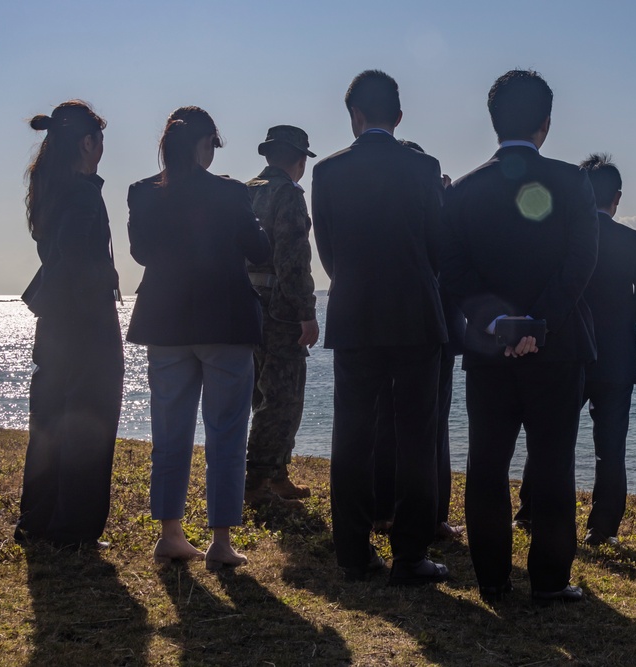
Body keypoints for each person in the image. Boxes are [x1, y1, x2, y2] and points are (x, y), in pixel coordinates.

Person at [440, 70, 599, 603]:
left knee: (487, 463)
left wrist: (499, 325)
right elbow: (581, 265)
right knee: (553, 464)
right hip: (557, 350)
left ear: (493, 120)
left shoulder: (462, 191)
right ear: (546, 123)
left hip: (488, 351)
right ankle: (550, 581)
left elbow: (454, 273)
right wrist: (539, 324)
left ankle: (491, 578)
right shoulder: (573, 182)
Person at [311, 70, 449, 585]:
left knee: (352, 436)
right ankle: (410, 557)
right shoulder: (424, 167)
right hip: (416, 313)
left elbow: (326, 251)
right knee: (417, 437)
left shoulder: (326, 172)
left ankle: (352, 553)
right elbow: (440, 247)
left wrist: (350, 282)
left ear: (355, 116)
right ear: (399, 116)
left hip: (353, 313)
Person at [126, 106, 270, 570]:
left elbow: (142, 252)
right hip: (225, 324)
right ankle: (221, 543)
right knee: (226, 433)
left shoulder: (142, 192)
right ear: (204, 143)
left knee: (169, 433)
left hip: (165, 324)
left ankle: (170, 534)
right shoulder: (230, 193)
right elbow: (260, 250)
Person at [515, 153, 636, 547]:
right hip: (616, 356)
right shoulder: (635, 241)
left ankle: (529, 511)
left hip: (567, 348)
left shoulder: (566, 238)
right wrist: (616, 322)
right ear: (617, 197)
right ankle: (602, 528)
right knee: (610, 447)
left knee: (550, 439)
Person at [15, 100, 124, 549]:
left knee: (51, 420)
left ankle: (38, 520)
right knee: (89, 421)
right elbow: (78, 260)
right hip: (86, 321)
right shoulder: (81, 195)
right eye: (100, 141)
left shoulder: (53, 191)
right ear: (87, 143)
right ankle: (74, 528)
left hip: (57, 322)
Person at [372, 139, 466, 541]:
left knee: (382, 420)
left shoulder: (379, 213)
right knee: (431, 426)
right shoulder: (434, 208)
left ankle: (381, 509)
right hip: (433, 324)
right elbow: (449, 255)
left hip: (380, 322)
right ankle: (432, 515)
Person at [243, 125, 319, 505]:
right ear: (300, 160)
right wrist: (307, 311)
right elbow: (293, 260)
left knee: (261, 393)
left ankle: (276, 474)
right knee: (284, 398)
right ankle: (258, 479)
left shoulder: (245, 190)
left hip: (246, 304)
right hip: (280, 308)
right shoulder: (288, 194)